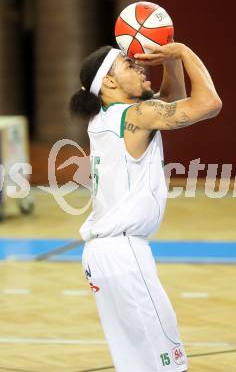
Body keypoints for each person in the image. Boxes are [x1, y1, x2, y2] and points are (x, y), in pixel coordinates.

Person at [70, 42, 222, 372]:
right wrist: (181, 52)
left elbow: (171, 99)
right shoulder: (134, 117)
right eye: (128, 65)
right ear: (109, 82)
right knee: (168, 365)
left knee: (139, 366)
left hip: (104, 257)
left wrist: (168, 63)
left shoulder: (106, 117)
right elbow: (209, 103)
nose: (140, 67)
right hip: (124, 255)